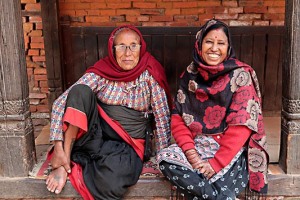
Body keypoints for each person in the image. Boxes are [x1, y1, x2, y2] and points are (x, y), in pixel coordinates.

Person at [45, 25, 171, 200]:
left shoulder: (150, 73)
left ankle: (77, 163)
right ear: (113, 49)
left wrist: (162, 158)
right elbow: (61, 102)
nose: (127, 52)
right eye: (121, 46)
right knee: (80, 92)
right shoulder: (103, 70)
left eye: (133, 45)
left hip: (128, 144)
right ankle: (64, 159)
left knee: (113, 179)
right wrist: (58, 146)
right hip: (97, 136)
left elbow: (162, 117)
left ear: (141, 48)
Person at [157, 19, 269, 200]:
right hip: (196, 146)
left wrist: (215, 164)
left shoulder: (240, 76)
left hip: (228, 149)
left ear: (228, 47)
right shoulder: (190, 75)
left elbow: (241, 127)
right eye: (209, 41)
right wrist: (192, 156)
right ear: (199, 45)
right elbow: (178, 118)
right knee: (165, 159)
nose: (214, 48)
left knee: (219, 177)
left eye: (221, 43)